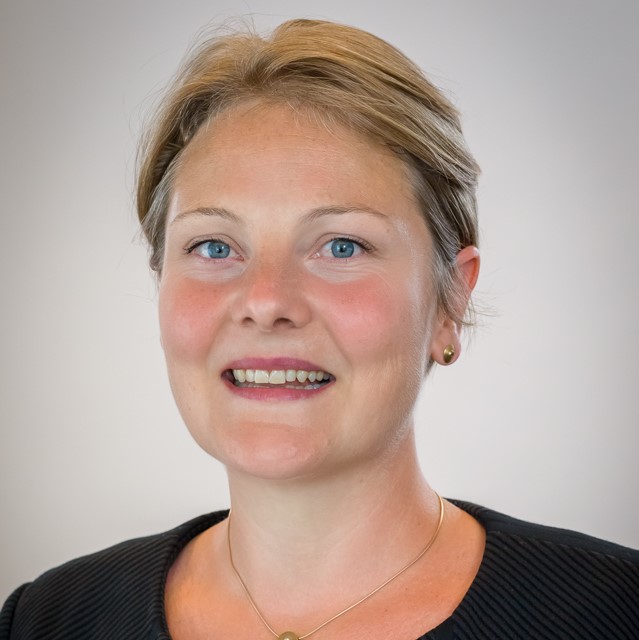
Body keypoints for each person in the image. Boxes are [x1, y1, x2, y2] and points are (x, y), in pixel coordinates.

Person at [1, 18, 637, 640]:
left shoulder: (616, 613)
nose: (266, 302)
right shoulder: (46, 619)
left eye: (341, 246)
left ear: (450, 300)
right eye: (215, 246)